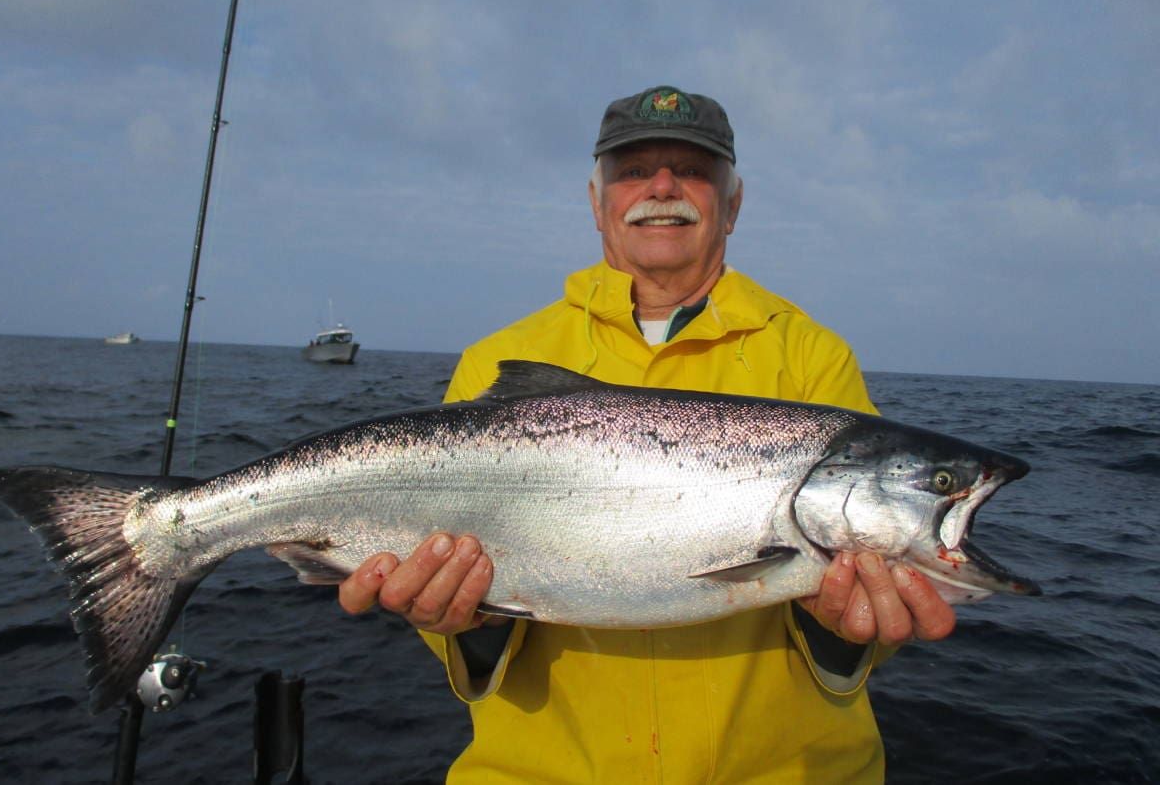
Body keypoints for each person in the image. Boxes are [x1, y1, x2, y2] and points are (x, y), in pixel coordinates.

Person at [339, 86, 956, 782]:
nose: (662, 187)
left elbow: (866, 593)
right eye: (634, 171)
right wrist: (462, 619)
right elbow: (459, 607)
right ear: (597, 202)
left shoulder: (813, 357)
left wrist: (845, 624)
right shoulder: (499, 360)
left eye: (692, 170)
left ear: (733, 203)